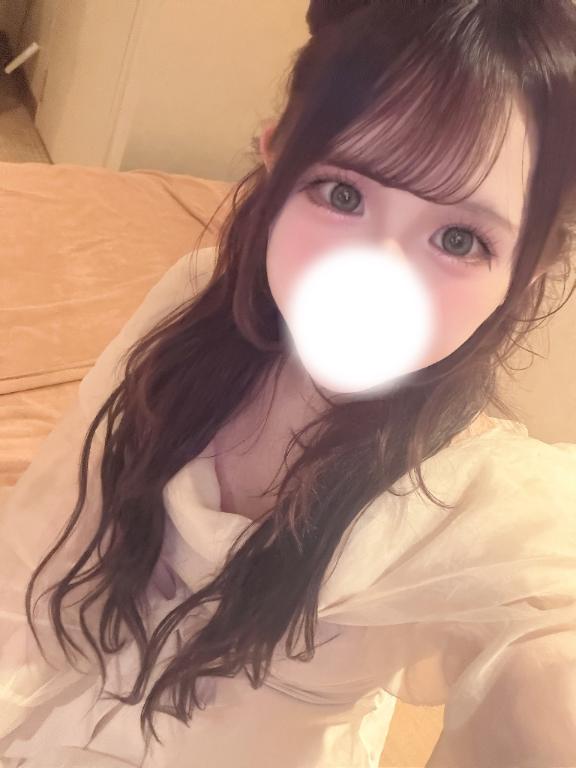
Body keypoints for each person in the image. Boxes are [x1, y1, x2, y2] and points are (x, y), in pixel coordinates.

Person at [1, 1, 576, 766]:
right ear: (275, 155)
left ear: (529, 271)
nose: (373, 281)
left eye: (459, 238)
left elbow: (547, 635)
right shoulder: (192, 303)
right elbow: (41, 547)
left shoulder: (476, 501)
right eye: (343, 194)